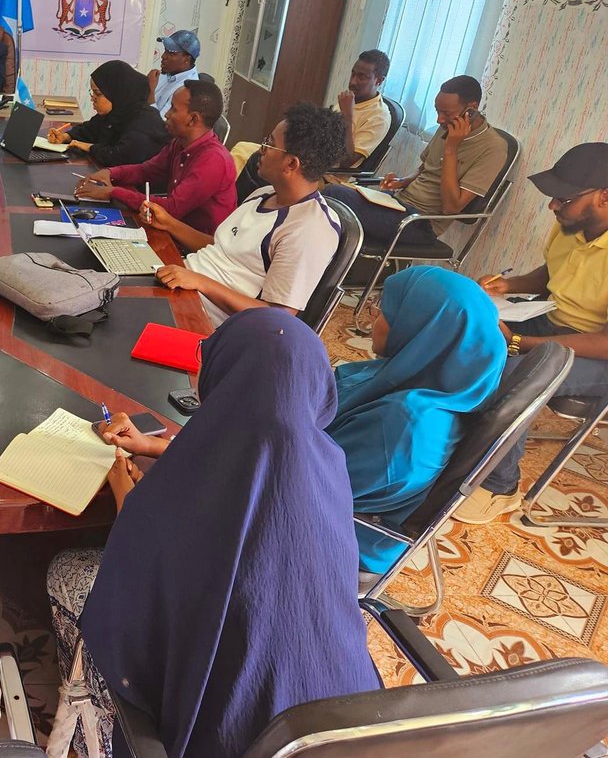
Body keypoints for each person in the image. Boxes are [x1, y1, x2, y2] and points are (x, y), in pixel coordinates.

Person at [48, 310, 379, 758]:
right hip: (346, 729)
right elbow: (241, 463)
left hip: (228, 741)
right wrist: (151, 447)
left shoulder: (186, 497)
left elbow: (137, 538)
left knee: (65, 570)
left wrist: (118, 477)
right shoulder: (327, 464)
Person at [457, 143, 608, 523]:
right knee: (464, 328)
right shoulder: (574, 228)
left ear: (604, 197)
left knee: (517, 372)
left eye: (563, 198)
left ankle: (499, 488)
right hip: (554, 321)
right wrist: (505, 287)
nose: (552, 206)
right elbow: (551, 274)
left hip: (598, 354)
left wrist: (520, 342)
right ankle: (457, 441)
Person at [326, 267, 504, 579]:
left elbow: (308, 484)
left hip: (340, 540)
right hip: (333, 501)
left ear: (423, 327)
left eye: (386, 309)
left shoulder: (404, 425)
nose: (373, 317)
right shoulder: (419, 380)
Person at [145, 102, 345, 327]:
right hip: (181, 289)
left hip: (202, 320)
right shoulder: (264, 193)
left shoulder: (309, 229)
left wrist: (201, 283)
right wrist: (170, 224)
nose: (261, 149)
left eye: (269, 144)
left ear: (291, 163)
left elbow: (277, 319)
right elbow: (224, 248)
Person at [324, 75, 506, 250]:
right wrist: (403, 181)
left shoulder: (493, 148)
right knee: (336, 195)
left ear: (471, 109)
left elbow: (452, 207)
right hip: (398, 203)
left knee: (335, 195)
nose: (439, 119)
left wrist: (451, 148)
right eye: (437, 111)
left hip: (421, 223)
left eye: (446, 113)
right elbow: (425, 168)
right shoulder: (447, 126)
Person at [74, 79, 235, 235]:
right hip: (169, 230)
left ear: (193, 119)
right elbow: (146, 170)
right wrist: (111, 173)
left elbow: (172, 208)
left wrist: (112, 192)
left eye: (173, 109)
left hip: (197, 249)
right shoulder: (180, 143)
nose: (166, 114)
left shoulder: (213, 160)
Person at [233, 50, 391, 197]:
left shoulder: (379, 117)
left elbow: (348, 161)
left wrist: (347, 116)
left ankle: (239, 208)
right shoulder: (349, 99)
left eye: (362, 77)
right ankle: (228, 201)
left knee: (260, 162)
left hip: (325, 176)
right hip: (307, 158)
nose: (352, 82)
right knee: (243, 148)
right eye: (353, 74)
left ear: (379, 80)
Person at [48, 59, 169, 167]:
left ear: (117, 92)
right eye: (92, 93)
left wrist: (89, 147)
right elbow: (89, 130)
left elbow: (120, 156)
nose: (92, 98)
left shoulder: (145, 122)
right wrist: (65, 137)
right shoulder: (117, 112)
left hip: (139, 188)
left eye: (98, 94)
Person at [147, 29, 202, 118]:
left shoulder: (186, 90)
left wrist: (150, 91)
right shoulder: (169, 72)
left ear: (186, 59)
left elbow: (160, 127)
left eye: (171, 53)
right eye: (165, 51)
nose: (163, 56)